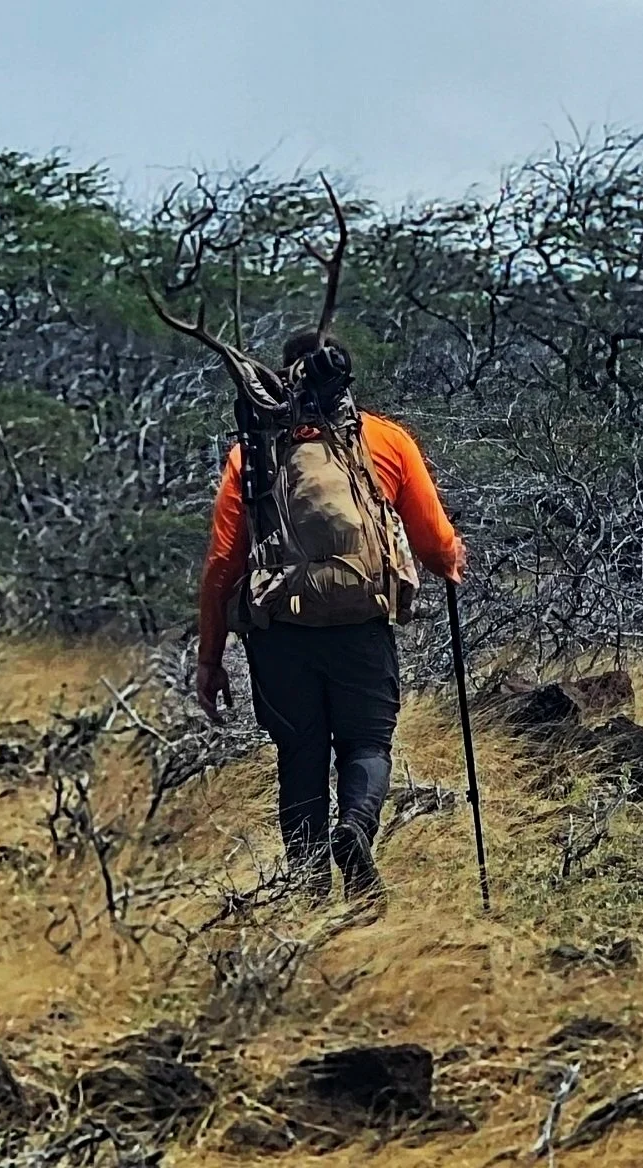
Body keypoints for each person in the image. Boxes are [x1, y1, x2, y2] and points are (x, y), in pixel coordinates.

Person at [194, 328, 465, 902]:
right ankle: (357, 828)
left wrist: (210, 658)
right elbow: (435, 543)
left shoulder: (254, 452)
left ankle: (310, 894)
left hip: (280, 637)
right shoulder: (385, 441)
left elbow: (223, 563)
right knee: (368, 744)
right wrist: (450, 562)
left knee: (300, 755)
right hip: (359, 626)